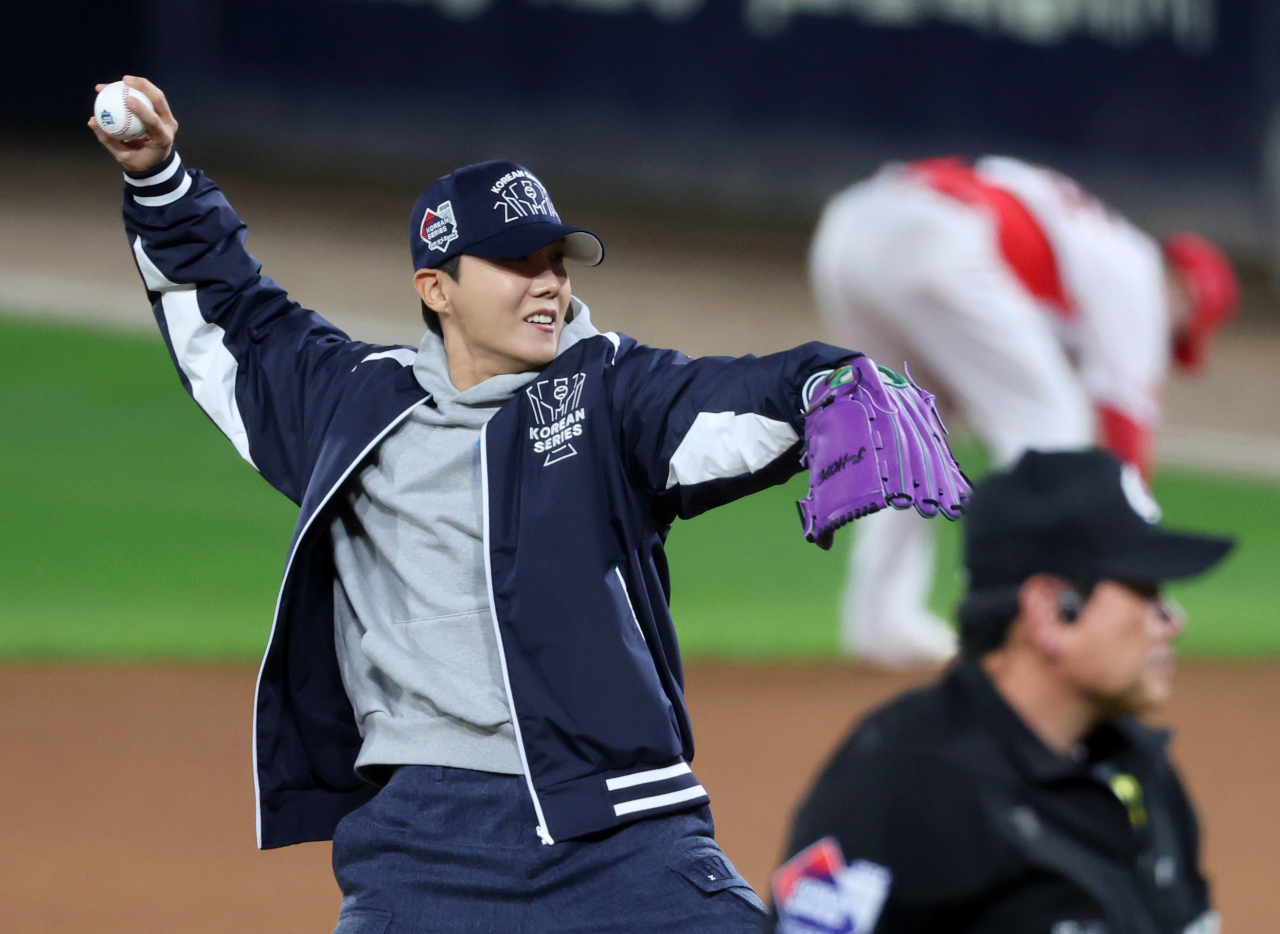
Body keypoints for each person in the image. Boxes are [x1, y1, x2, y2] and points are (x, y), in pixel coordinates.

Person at [89, 78, 966, 933]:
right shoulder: (350, 401)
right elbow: (236, 317)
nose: (547, 283)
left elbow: (717, 400)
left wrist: (816, 381)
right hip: (417, 849)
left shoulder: (608, 392)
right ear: (436, 288)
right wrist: (160, 181)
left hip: (616, 835)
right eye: (515, 263)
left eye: (554, 261)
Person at [772, 449, 1233, 934]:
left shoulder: (1140, 769)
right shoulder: (901, 786)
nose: (1171, 621)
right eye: (1145, 589)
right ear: (1052, 612)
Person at [809, 156, 1239, 666]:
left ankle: (880, 620)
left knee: (905, 428)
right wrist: (1139, 564)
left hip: (852, 225)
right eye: (1181, 336)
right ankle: (1017, 615)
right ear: (1187, 298)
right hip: (935, 239)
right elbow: (1127, 444)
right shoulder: (1141, 279)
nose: (1168, 348)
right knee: (1051, 428)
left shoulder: (1096, 235)